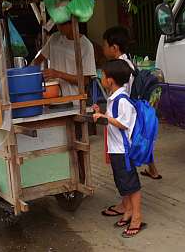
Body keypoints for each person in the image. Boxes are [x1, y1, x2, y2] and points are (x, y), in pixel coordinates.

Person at [101, 26, 161, 217]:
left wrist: (107, 117)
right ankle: (128, 207)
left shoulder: (119, 68)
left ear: (115, 47)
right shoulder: (126, 62)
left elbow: (123, 99)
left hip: (123, 126)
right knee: (123, 170)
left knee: (125, 170)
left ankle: (129, 209)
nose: (103, 48)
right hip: (125, 122)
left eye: (105, 45)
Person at [93, 59, 146, 238]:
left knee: (131, 184)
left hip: (123, 150)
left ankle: (137, 216)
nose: (101, 78)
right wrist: (100, 113)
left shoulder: (122, 100)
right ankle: (129, 211)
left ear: (110, 80)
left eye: (103, 75)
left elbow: (123, 123)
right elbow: (112, 119)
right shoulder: (113, 98)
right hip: (116, 149)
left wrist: (104, 117)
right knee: (122, 182)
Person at [34, 21, 96, 97]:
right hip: (53, 95)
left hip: (74, 98)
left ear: (72, 23)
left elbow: (85, 81)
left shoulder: (86, 45)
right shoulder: (54, 38)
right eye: (57, 24)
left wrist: (58, 74)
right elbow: (38, 60)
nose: (59, 27)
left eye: (62, 24)